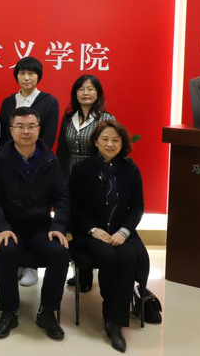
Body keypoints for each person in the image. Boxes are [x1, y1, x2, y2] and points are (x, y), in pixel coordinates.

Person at [0, 107, 70, 341]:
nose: (26, 131)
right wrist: (0, 227)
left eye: (31, 126)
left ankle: (47, 312)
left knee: (60, 253)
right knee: (6, 250)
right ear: (11, 130)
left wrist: (58, 227)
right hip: (9, 226)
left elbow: (62, 198)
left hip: (41, 227)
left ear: (39, 130)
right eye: (20, 126)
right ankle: (9, 311)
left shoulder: (50, 160)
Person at [69, 120, 155, 353]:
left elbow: (137, 207)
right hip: (90, 233)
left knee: (129, 257)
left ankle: (114, 323)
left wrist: (124, 232)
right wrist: (92, 229)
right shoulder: (82, 169)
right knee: (109, 256)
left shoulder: (130, 170)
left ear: (122, 143)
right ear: (95, 142)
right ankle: (112, 313)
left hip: (120, 231)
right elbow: (73, 206)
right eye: (105, 139)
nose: (110, 144)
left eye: (116, 140)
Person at [0, 56, 60, 288]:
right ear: (17, 76)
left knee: (34, 214)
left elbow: (48, 137)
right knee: (12, 208)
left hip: (38, 165)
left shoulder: (49, 101)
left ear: (38, 76)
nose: (26, 77)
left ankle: (30, 266)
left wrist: (33, 158)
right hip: (10, 165)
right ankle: (14, 261)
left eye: (31, 73)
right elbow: (4, 136)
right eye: (22, 73)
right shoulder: (8, 102)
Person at [56, 74, 114, 291]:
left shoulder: (106, 119)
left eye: (90, 89)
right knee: (73, 222)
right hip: (69, 174)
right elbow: (62, 150)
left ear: (98, 93)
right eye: (81, 89)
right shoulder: (68, 118)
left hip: (94, 177)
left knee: (90, 223)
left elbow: (111, 150)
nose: (86, 93)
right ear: (75, 93)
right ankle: (78, 268)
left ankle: (88, 272)